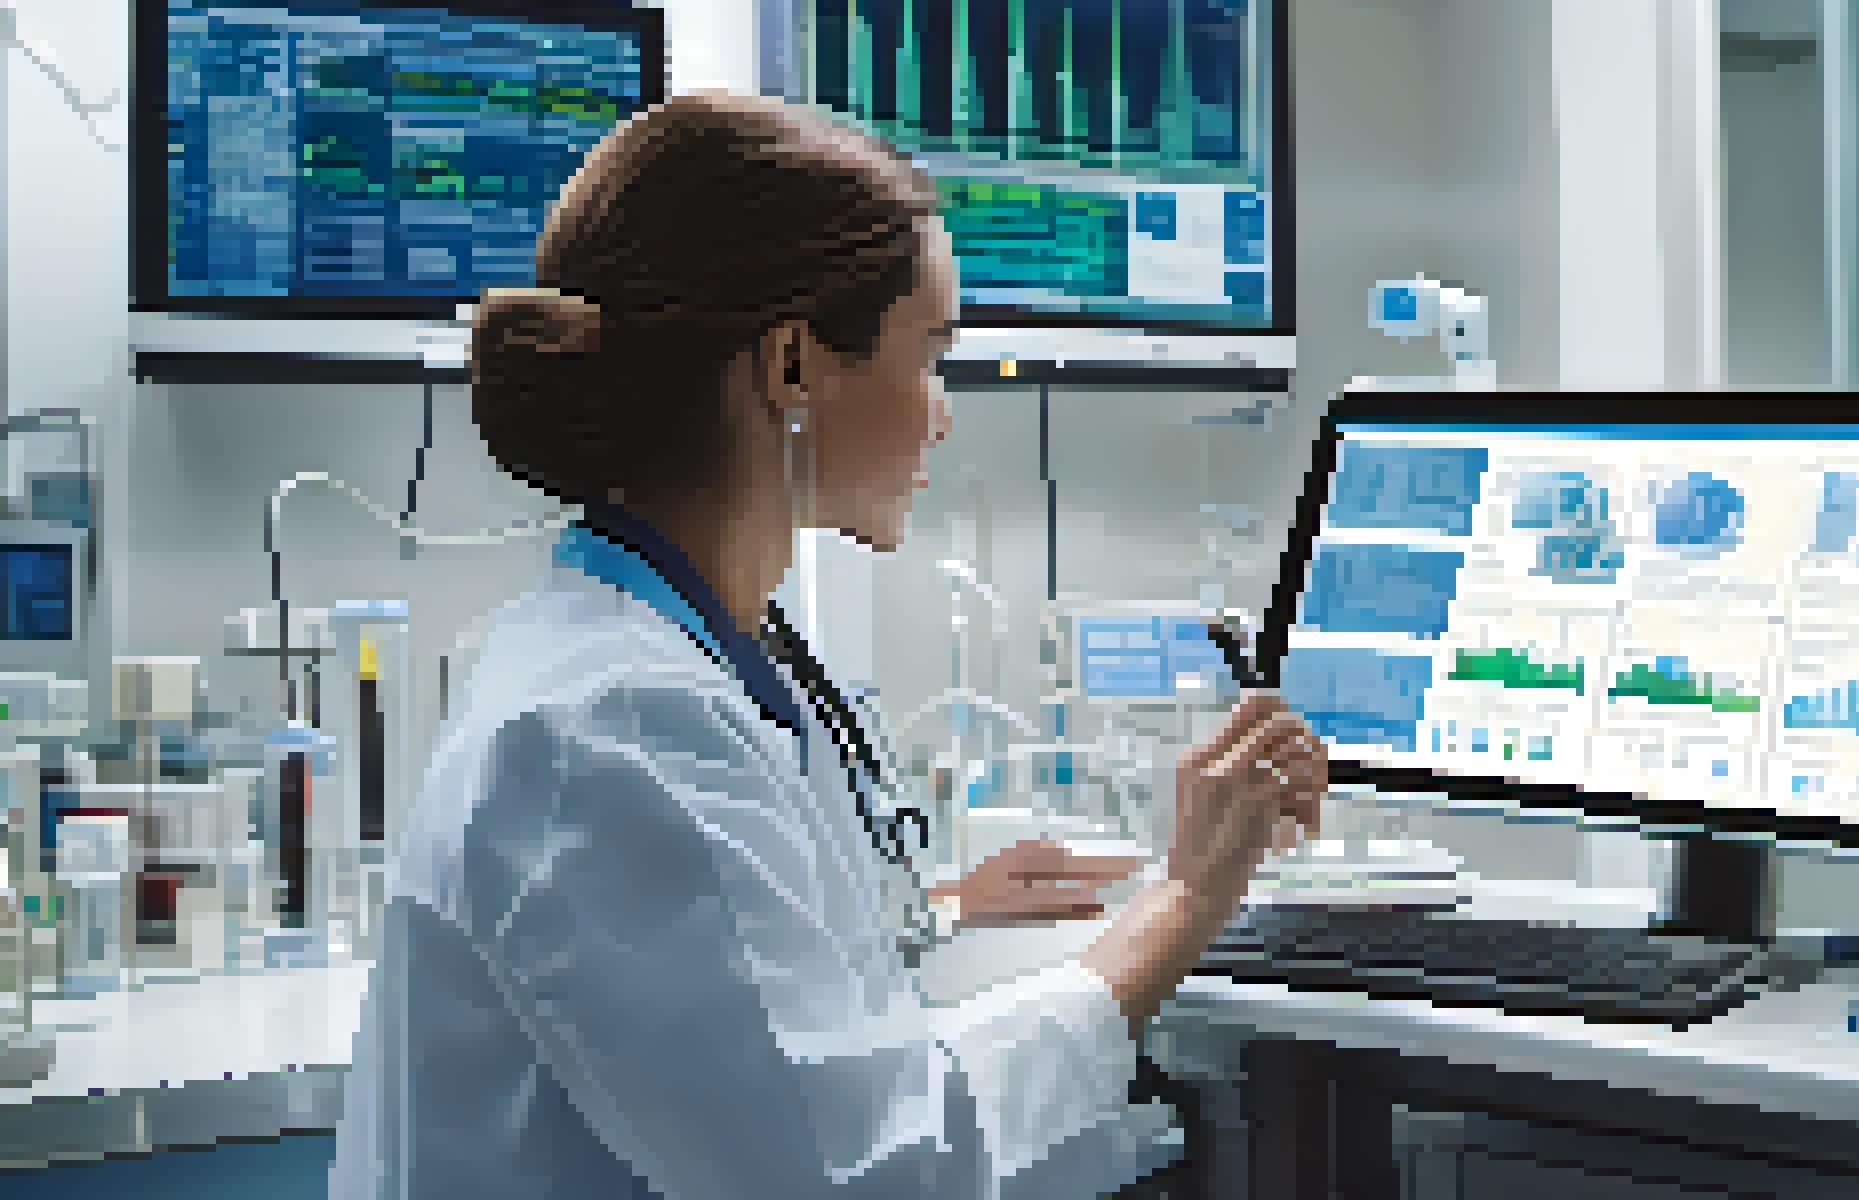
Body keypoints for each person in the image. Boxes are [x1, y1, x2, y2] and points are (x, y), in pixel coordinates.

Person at [325, 90, 1326, 1200]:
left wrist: (929, 912)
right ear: (792, 365)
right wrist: (1180, 904)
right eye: (929, 354)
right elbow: (877, 1171)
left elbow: (749, 1007)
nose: (943, 412)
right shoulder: (610, 728)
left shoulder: (678, 656)